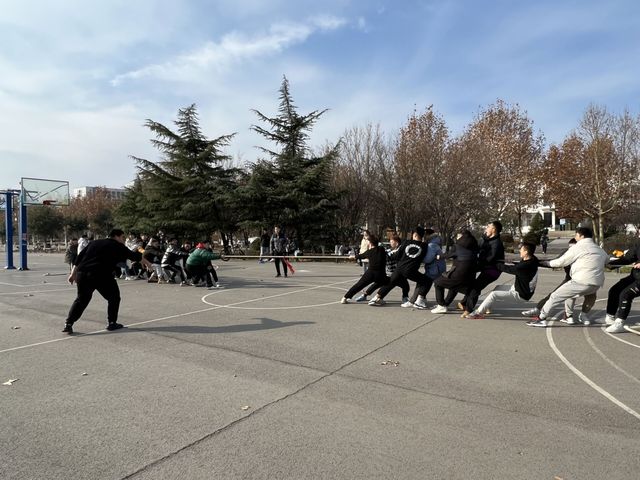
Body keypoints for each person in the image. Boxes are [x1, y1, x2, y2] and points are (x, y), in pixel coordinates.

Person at [62, 229, 151, 334]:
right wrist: (148, 263)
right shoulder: (117, 245)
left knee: (81, 300)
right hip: (102, 275)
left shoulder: (94, 243)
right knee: (114, 297)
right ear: (116, 236)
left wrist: (73, 274)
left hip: (83, 274)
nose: (123, 240)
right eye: (122, 237)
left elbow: (79, 258)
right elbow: (134, 256)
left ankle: (68, 324)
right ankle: (112, 323)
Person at [526, 227, 608, 328]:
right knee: (580, 296)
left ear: (581, 236)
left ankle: (541, 319)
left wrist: (543, 263)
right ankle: (577, 316)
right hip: (596, 284)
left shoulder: (578, 247)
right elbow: (608, 261)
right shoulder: (599, 249)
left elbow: (561, 262)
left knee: (555, 296)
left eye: (576, 235)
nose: (575, 237)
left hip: (580, 281)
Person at [521, 238, 596, 324]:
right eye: (570, 247)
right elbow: (555, 262)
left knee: (591, 297)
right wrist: (535, 262)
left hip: (585, 279)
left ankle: (583, 315)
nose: (571, 249)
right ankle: (542, 310)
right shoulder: (567, 253)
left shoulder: (585, 254)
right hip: (570, 279)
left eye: (573, 247)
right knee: (557, 295)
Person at [467, 242, 539, 318]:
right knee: (498, 288)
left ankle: (478, 313)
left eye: (521, 249)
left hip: (520, 295)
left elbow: (508, 269)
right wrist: (509, 261)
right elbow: (519, 265)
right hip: (520, 289)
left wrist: (496, 264)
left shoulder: (525, 266)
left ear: (526, 252)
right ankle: (487, 308)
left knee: (494, 295)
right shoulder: (532, 260)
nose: (519, 251)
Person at [367, 226, 429, 307]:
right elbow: (423, 258)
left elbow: (397, 255)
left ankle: (375, 298)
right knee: (426, 281)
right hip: (411, 269)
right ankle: (420, 300)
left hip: (399, 268)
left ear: (415, 234)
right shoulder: (424, 246)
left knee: (391, 282)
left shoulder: (406, 242)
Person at [458, 221, 505, 317]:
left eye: (488, 226)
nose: (486, 228)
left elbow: (489, 259)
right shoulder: (484, 239)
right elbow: (476, 248)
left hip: (492, 270)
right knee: (472, 284)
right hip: (484, 267)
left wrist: (476, 266)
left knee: (476, 287)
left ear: (494, 229)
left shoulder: (496, 243)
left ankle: (469, 310)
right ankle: (464, 303)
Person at [430, 230, 479, 314]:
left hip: (459, 272)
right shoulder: (474, 246)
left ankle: (441, 306)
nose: (457, 238)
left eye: (458, 236)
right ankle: (446, 304)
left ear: (462, 237)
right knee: (454, 286)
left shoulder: (458, 246)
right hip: (471, 274)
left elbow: (448, 254)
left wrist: (439, 256)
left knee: (438, 283)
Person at [354, 234, 409, 303]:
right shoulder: (388, 251)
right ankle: (368, 296)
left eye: (392, 241)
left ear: (397, 243)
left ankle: (404, 298)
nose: (390, 243)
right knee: (378, 284)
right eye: (390, 241)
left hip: (397, 274)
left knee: (405, 286)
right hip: (390, 274)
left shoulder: (399, 252)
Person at [602, 233, 640, 333]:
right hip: (635, 276)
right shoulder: (638, 244)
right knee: (615, 290)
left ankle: (619, 323)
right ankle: (610, 317)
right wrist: (611, 264)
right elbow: (628, 258)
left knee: (626, 294)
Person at [403, 229, 446, 309]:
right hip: (436, 268)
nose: (423, 236)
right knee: (436, 284)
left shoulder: (432, 245)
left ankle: (417, 301)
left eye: (424, 235)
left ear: (428, 235)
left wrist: (418, 258)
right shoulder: (434, 243)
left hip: (435, 269)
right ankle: (439, 303)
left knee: (426, 282)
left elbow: (427, 259)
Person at [340, 234, 387, 303]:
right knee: (389, 282)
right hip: (380, 274)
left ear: (370, 243)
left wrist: (353, 257)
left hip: (370, 273)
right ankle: (378, 298)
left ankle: (345, 297)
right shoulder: (381, 249)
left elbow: (361, 256)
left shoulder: (369, 252)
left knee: (359, 285)